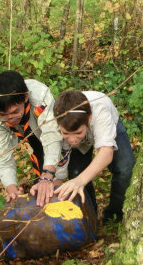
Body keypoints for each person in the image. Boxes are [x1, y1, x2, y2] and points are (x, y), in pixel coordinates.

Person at [52, 90, 135, 223]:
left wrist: (80, 180)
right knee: (76, 173)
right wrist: (57, 184)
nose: (72, 140)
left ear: (89, 118)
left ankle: (115, 215)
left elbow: (106, 152)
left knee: (125, 169)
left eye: (77, 133)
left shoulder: (100, 111)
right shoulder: (56, 119)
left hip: (107, 127)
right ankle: (90, 218)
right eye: (66, 134)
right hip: (82, 133)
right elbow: (60, 156)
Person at [0, 70, 62, 206]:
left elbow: (52, 136)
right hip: (12, 134)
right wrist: (11, 188)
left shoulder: (40, 97)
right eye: (3, 115)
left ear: (25, 97)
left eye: (15, 112)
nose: (10, 118)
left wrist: (47, 175)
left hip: (37, 128)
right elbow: (1, 156)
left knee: (45, 171)